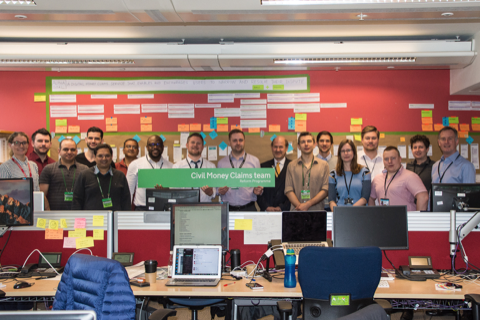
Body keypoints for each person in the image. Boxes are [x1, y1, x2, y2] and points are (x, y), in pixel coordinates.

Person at [72, 144, 131, 211]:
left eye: (107, 156)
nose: (104, 159)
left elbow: (126, 201)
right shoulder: (84, 175)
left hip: (114, 219)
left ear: (111, 157)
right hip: (92, 219)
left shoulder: (120, 175)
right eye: (100, 156)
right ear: (94, 157)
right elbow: (77, 200)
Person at [369, 146, 428, 211]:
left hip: (405, 219)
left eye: (393, 158)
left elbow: (423, 196)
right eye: (386, 159)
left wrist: (418, 219)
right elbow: (371, 198)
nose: (389, 161)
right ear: (383, 161)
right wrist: (373, 215)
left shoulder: (410, 176)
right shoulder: (377, 179)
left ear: (400, 159)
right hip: (384, 219)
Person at [39, 138, 88, 211]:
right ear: (59, 151)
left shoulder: (85, 169)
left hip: (79, 214)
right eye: (65, 149)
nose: (69, 152)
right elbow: (42, 195)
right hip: (55, 215)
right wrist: (48, 212)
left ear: (76, 151)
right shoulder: (48, 169)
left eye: (72, 150)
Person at [126, 135, 173, 211]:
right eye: (151, 145)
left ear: (163, 147)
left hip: (164, 208)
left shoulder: (171, 166)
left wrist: (166, 189)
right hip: (142, 208)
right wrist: (126, 213)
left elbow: (174, 190)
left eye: (158, 144)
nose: (155, 147)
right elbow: (129, 191)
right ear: (147, 147)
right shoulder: (135, 164)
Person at [285, 132, 329, 211]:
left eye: (309, 141)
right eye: (303, 142)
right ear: (298, 146)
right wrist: (300, 206)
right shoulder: (291, 166)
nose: (306, 144)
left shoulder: (324, 165)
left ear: (314, 144)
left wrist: (308, 204)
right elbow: (288, 190)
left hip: (317, 212)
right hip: (296, 211)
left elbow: (325, 190)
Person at [217, 129, 260, 212]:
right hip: (227, 209)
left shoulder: (255, 161)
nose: (238, 143)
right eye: (234, 140)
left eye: (241, 140)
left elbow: (259, 184)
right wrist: (220, 190)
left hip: (249, 208)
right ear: (229, 142)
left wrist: (258, 190)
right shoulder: (221, 163)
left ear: (244, 141)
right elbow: (218, 188)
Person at [328, 139, 371, 211]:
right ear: (339, 154)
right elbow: (331, 200)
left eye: (348, 150)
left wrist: (349, 212)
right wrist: (338, 213)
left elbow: (365, 198)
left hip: (360, 213)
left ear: (354, 152)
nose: (346, 153)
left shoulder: (365, 172)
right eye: (343, 151)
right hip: (340, 215)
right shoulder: (333, 174)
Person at [172, 133, 216, 202]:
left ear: (202, 147)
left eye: (198, 143)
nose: (195, 145)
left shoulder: (211, 167)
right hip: (184, 208)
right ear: (187, 145)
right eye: (192, 142)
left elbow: (214, 192)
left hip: (205, 209)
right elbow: (174, 191)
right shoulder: (177, 167)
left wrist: (211, 192)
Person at [255, 136, 291, 212]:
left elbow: (295, 192)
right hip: (266, 213)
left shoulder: (292, 167)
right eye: (275, 147)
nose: (278, 150)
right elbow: (258, 192)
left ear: (286, 148)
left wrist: (282, 207)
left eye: (281, 147)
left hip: (286, 213)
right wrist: (266, 207)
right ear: (271, 147)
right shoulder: (263, 167)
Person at [317, 131, 338, 210]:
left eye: (327, 141)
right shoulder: (311, 162)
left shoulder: (339, 162)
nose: (324, 144)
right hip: (316, 206)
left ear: (332, 144)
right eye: (321, 141)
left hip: (335, 206)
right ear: (317, 143)